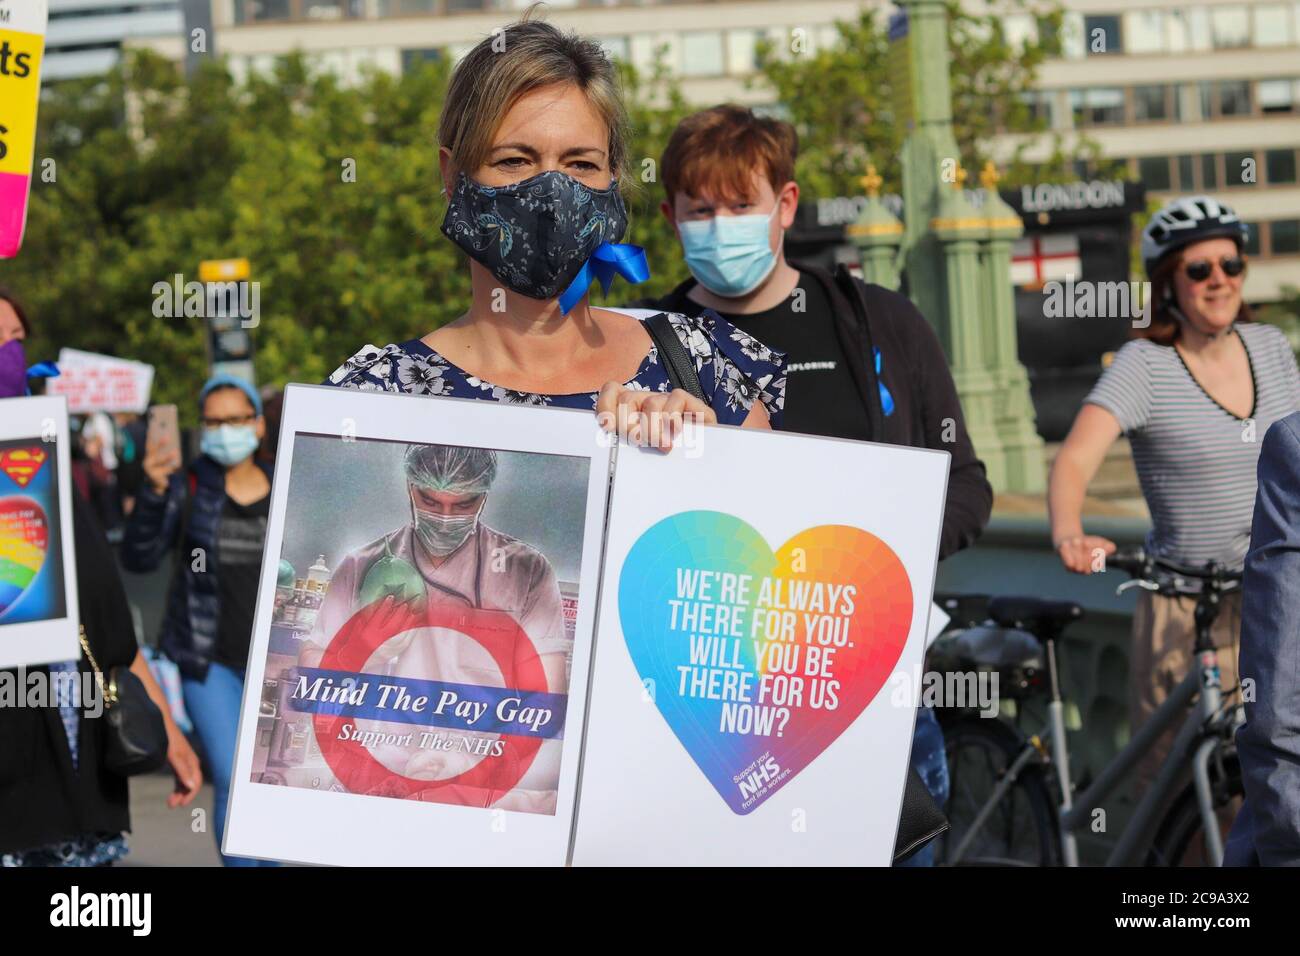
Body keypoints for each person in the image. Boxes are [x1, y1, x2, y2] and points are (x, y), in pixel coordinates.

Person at [641, 104, 993, 865]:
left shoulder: (880, 325)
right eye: (701, 210)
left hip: (876, 701)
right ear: (670, 217)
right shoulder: (642, 341)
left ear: (786, 204)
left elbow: (965, 485)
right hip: (711, 720)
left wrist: (878, 562)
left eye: (741, 205)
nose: (720, 224)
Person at [324, 13, 785, 444]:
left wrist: (713, 460)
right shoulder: (375, 398)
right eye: (514, 160)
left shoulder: (698, 362)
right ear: (452, 176)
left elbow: (772, 524)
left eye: (580, 163)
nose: (552, 192)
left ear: (614, 179)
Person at [1049, 195, 1300, 791]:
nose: (1219, 281)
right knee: (1186, 796)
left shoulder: (1270, 346)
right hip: (1187, 616)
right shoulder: (1145, 364)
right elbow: (1075, 460)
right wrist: (1068, 532)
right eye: (1199, 270)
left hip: (1278, 600)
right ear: (1169, 283)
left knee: (1278, 789)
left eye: (1230, 265)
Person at [1, 289, 201, 867]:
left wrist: (168, 730)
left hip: (75, 774)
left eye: (15, 340)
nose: (11, 353)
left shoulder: (42, 468)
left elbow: (107, 623)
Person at [299, 444, 568, 813]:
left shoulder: (526, 571)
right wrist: (355, 649)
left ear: (485, 496)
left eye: (463, 505)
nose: (444, 518)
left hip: (474, 781)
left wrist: (465, 761)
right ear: (410, 487)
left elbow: (546, 699)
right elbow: (311, 680)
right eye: (430, 501)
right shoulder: (362, 565)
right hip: (373, 776)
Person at [120, 372, 277, 866]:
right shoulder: (187, 485)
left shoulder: (290, 479)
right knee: (232, 776)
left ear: (257, 425)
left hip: (280, 662)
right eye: (212, 422)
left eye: (234, 419)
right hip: (208, 663)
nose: (223, 431)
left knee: (271, 780)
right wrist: (152, 489)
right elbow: (139, 557)